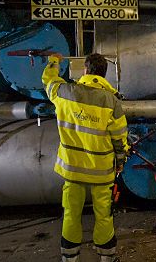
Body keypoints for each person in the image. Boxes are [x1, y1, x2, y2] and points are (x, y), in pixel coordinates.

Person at [42, 53, 129, 262]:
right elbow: (119, 138)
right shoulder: (112, 101)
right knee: (104, 215)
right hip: (102, 171)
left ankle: (70, 258)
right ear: (104, 74)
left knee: (71, 213)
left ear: (86, 70)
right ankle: (107, 258)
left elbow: (49, 81)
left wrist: (54, 62)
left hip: (73, 169)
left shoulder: (64, 92)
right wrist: (120, 161)